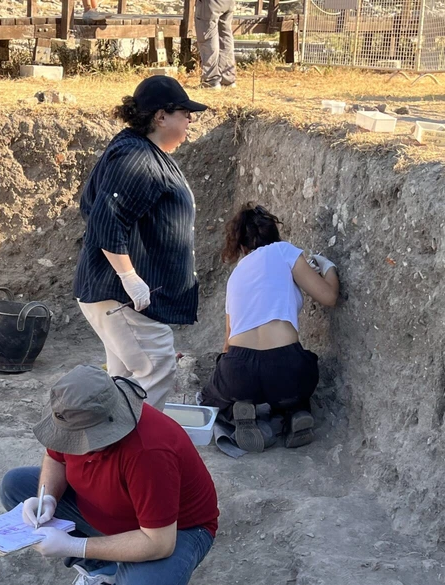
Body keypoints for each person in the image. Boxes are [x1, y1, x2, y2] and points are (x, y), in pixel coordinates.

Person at [0, 364, 219, 585]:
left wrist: (73, 546)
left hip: (175, 530)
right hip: (107, 506)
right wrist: (48, 497)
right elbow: (54, 457)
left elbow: (159, 543)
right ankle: (102, 570)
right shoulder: (72, 416)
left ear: (110, 423)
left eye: (83, 439)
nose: (74, 445)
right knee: (15, 486)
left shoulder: (148, 451)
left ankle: (131, 573)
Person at [73, 75, 208, 410]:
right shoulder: (136, 157)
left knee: (125, 383)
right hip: (121, 298)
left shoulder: (140, 150)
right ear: (160, 117)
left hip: (118, 298)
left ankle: (113, 456)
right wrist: (129, 277)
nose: (190, 119)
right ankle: (137, 455)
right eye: (184, 112)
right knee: (156, 369)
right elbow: (106, 218)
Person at [200, 203, 339, 450]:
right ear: (273, 234)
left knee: (212, 395)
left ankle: (238, 410)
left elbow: (227, 343)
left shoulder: (235, 276)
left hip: (239, 370)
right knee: (294, 386)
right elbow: (328, 296)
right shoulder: (285, 251)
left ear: (241, 246)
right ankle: (294, 413)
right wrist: (327, 267)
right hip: (286, 368)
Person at [195, 0, 237, 90]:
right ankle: (227, 78)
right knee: (225, 36)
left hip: (211, 3)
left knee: (207, 36)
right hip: (229, 3)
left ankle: (211, 80)